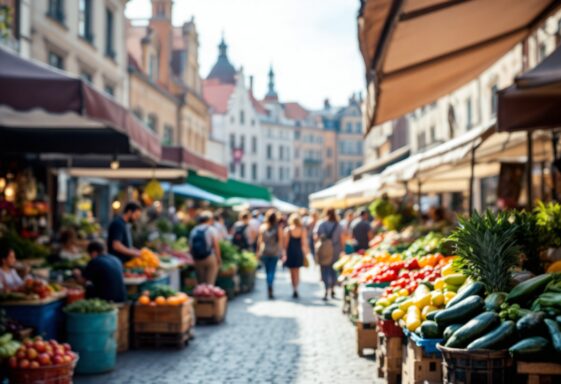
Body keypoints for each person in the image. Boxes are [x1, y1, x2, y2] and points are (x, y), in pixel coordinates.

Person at [314, 208, 344, 301]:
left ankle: (326, 288)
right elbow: (342, 238)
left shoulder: (321, 224)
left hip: (324, 249)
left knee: (324, 269)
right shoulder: (338, 225)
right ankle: (333, 289)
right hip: (335, 249)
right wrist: (342, 249)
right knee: (333, 269)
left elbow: (315, 236)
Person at [257, 210, 283, 299]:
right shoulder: (278, 228)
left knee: (267, 270)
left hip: (265, 251)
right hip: (274, 251)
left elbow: (260, 241)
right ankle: (270, 284)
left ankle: (269, 284)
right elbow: (280, 241)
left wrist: (258, 252)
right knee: (272, 270)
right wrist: (281, 251)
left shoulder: (263, 227)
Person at [189, 211, 222, 285]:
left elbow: (190, 247)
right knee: (210, 282)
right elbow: (216, 246)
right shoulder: (211, 229)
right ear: (209, 220)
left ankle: (201, 295)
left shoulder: (194, 230)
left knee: (201, 283)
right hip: (210, 257)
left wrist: (194, 258)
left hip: (197, 259)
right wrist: (219, 258)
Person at [283, 214, 309, 299]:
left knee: (292, 272)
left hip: (290, 252)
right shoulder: (302, 230)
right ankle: (297, 288)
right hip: (298, 252)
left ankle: (294, 288)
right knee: (297, 271)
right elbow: (304, 243)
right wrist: (305, 254)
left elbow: (286, 244)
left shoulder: (288, 230)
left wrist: (285, 254)